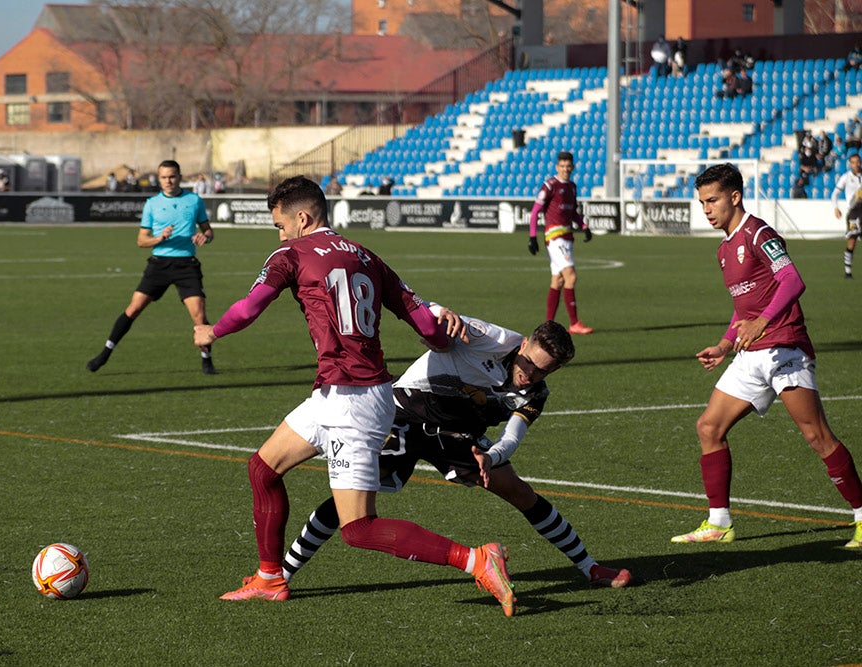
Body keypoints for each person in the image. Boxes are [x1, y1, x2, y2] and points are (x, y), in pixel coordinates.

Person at [192, 176, 517, 616]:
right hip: (341, 394)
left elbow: (250, 307)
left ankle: (476, 558)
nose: (280, 232)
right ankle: (270, 578)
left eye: (280, 224)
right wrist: (445, 337)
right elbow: (424, 323)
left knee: (358, 528)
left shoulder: (291, 254)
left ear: (302, 217)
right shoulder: (367, 255)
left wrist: (212, 330)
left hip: (353, 401)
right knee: (262, 469)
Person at [280, 318, 632, 589]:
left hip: (457, 435)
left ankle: (590, 568)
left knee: (519, 492)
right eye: (529, 363)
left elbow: (511, 436)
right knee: (353, 499)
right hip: (405, 414)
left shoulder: (535, 394)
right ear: (523, 343)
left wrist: (490, 458)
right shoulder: (491, 339)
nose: (530, 374)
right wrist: (434, 320)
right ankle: (282, 575)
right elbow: (437, 317)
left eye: (544, 371)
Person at [671, 163, 862, 547]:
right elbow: (744, 309)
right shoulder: (724, 249)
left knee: (817, 436)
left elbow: (793, 279)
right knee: (709, 428)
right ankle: (719, 522)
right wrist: (726, 344)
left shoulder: (759, 232)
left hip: (784, 348)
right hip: (750, 354)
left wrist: (763, 322)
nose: (706, 209)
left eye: (713, 200)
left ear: (735, 196)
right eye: (702, 202)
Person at [86, 159, 217, 374]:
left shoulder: (194, 200)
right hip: (159, 264)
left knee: (199, 317)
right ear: (159, 178)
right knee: (134, 308)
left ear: (180, 177)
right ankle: (105, 353)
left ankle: (207, 359)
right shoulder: (152, 203)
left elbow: (208, 230)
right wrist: (159, 238)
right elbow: (141, 240)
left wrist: (206, 237)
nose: (168, 181)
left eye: (172, 176)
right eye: (164, 177)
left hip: (186, 265)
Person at [527, 151, 594, 335]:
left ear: (572, 167)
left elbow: (572, 212)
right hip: (555, 237)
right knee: (571, 276)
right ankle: (574, 323)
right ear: (557, 167)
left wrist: (583, 226)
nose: (565, 169)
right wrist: (532, 237)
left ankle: (548, 325)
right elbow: (535, 212)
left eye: (568, 166)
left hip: (567, 236)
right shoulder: (550, 185)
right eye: (562, 166)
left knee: (558, 280)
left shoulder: (572, 187)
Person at [831, 151, 862, 279]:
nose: (856, 164)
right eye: (853, 162)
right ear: (850, 164)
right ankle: (847, 272)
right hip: (853, 212)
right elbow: (834, 194)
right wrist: (836, 208)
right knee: (852, 240)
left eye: (858, 162)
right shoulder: (846, 177)